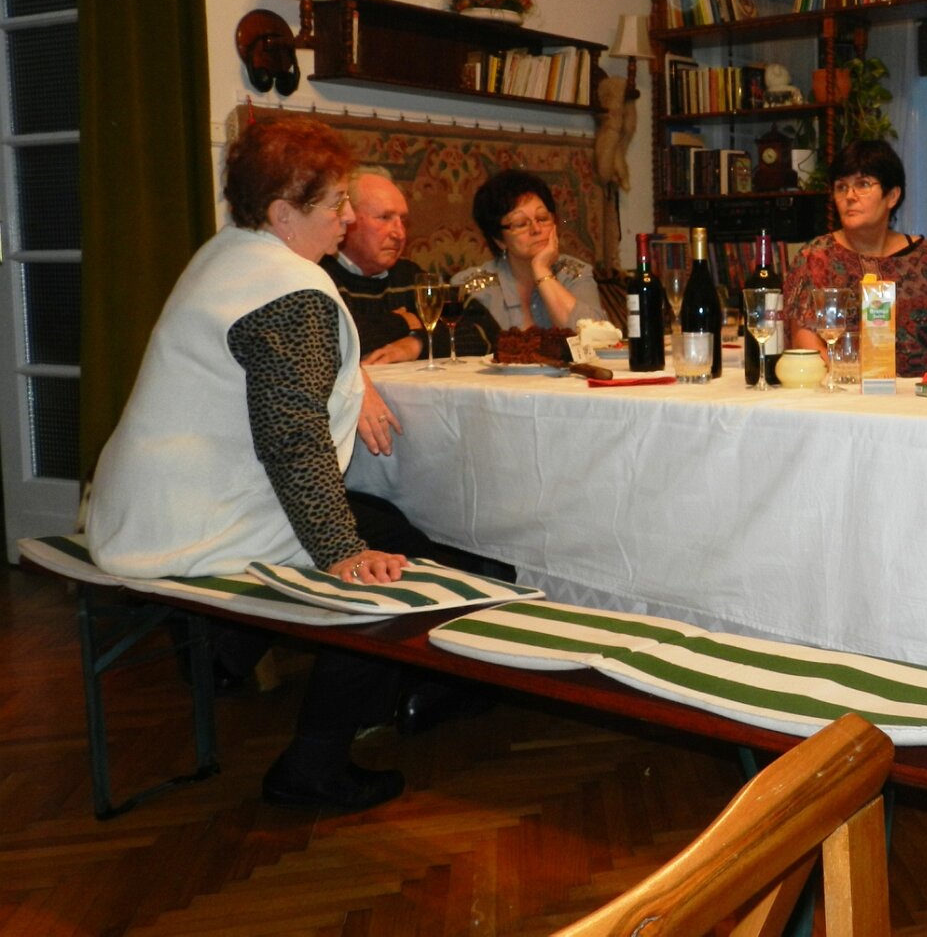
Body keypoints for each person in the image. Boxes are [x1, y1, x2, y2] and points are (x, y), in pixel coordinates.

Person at [85, 117, 459, 813]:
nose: (349, 219)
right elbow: (293, 439)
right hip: (195, 521)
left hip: (142, 503)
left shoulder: (229, 253)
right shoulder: (290, 292)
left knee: (385, 524)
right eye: (337, 205)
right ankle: (314, 765)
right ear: (283, 213)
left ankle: (230, 654)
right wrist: (342, 552)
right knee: (398, 565)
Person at [783, 141, 927, 377]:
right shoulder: (815, 257)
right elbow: (805, 343)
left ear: (892, 196)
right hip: (840, 392)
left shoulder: (925, 257)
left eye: (863, 184)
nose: (850, 196)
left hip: (921, 395)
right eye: (841, 187)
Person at [456, 168, 605, 342]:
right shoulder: (470, 289)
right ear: (499, 240)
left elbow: (596, 339)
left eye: (542, 218)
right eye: (520, 224)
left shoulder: (574, 273)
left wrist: (542, 270)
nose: (536, 229)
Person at [319, 167, 429, 364]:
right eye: (385, 218)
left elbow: (479, 329)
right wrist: (402, 322)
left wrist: (414, 344)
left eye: (403, 220)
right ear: (347, 218)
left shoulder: (408, 275)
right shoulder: (321, 276)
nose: (400, 234)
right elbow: (326, 344)